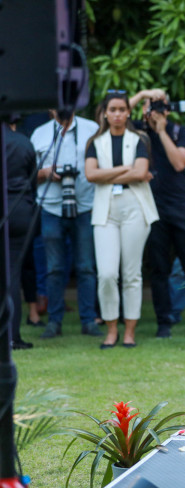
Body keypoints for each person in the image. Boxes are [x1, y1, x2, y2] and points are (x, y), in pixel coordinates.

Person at [129, 89, 185, 338]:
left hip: (180, 205)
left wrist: (162, 130)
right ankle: (163, 323)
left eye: (160, 105)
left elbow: (178, 163)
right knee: (159, 267)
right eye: (151, 105)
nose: (156, 110)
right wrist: (142, 95)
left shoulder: (179, 131)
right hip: (152, 205)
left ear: (168, 109)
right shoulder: (136, 131)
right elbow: (111, 114)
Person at [85, 92, 158, 348]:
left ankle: (129, 331)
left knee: (131, 273)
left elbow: (140, 173)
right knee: (106, 273)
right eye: (113, 109)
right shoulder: (95, 142)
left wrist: (107, 174)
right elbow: (90, 175)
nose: (117, 114)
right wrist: (126, 169)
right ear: (105, 113)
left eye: (121, 109)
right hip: (105, 208)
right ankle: (111, 328)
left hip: (134, 206)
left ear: (128, 112)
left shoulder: (139, 140)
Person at [30, 110, 102, 339]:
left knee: (86, 267)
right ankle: (54, 322)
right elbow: (27, 174)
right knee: (54, 268)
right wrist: (45, 172)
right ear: (50, 109)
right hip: (51, 207)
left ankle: (89, 320)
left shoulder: (92, 129)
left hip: (85, 206)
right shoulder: (39, 134)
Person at [5, 122, 37, 349]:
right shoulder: (23, 142)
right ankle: (12, 336)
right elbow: (32, 181)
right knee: (12, 275)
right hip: (19, 209)